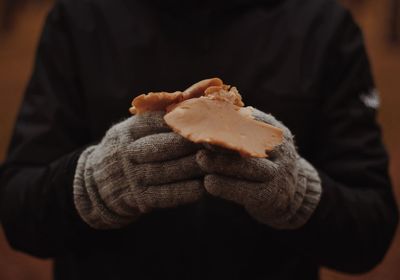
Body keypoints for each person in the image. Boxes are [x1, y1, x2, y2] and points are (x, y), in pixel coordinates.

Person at [0, 0, 398, 279]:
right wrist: (90, 185)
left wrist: (300, 196)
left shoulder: (324, 26)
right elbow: (19, 211)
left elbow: (370, 231)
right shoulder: (78, 17)